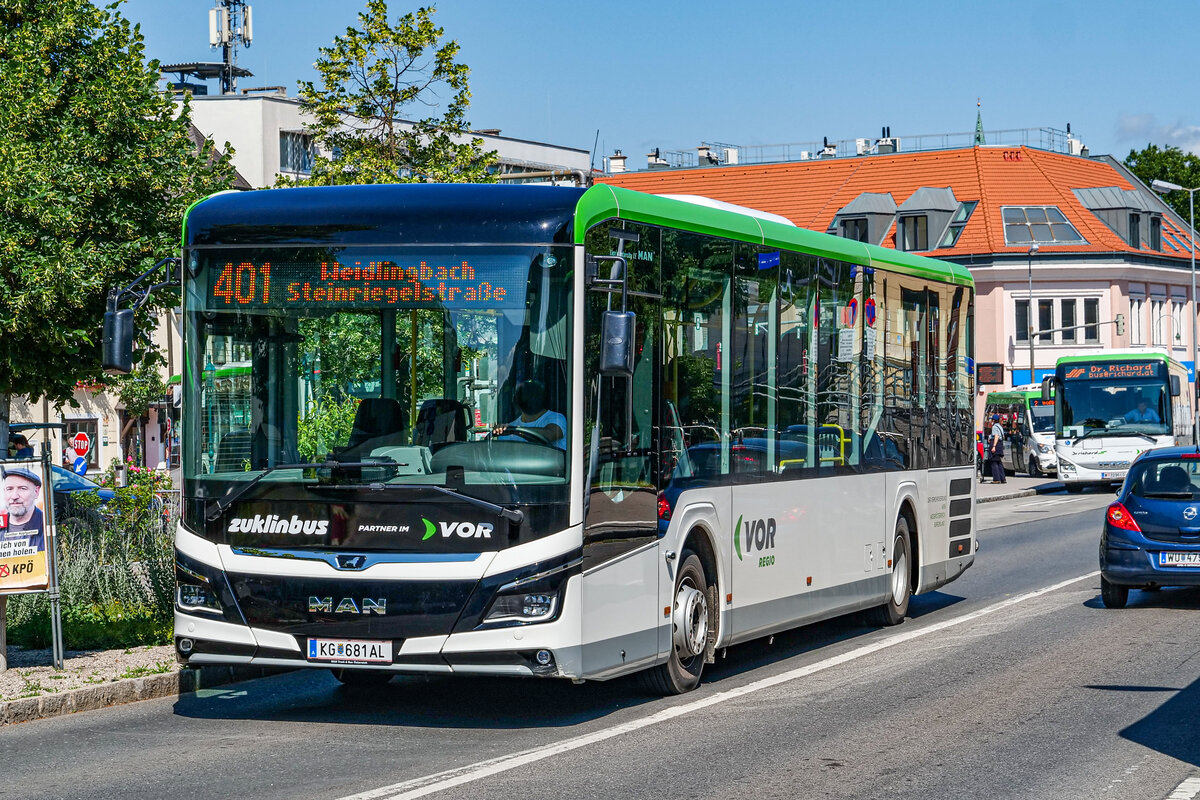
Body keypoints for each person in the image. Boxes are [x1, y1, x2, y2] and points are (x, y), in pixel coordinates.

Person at [492, 380, 566, 449]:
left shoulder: (556, 418)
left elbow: (551, 434)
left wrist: (515, 431)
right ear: (516, 401)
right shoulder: (509, 429)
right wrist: (499, 431)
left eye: (534, 394)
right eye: (525, 395)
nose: (529, 398)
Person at [3, 466, 45, 552]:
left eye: (22, 488)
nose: (14, 496)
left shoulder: (46, 524)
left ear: (36, 492)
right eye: (9, 489)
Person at [986, 413, 1007, 484]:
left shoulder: (994, 427)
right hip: (1000, 445)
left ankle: (996, 479)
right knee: (999, 462)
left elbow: (996, 436)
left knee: (994, 462)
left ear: (993, 420)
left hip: (996, 445)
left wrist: (994, 446)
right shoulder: (1000, 427)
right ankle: (1002, 478)